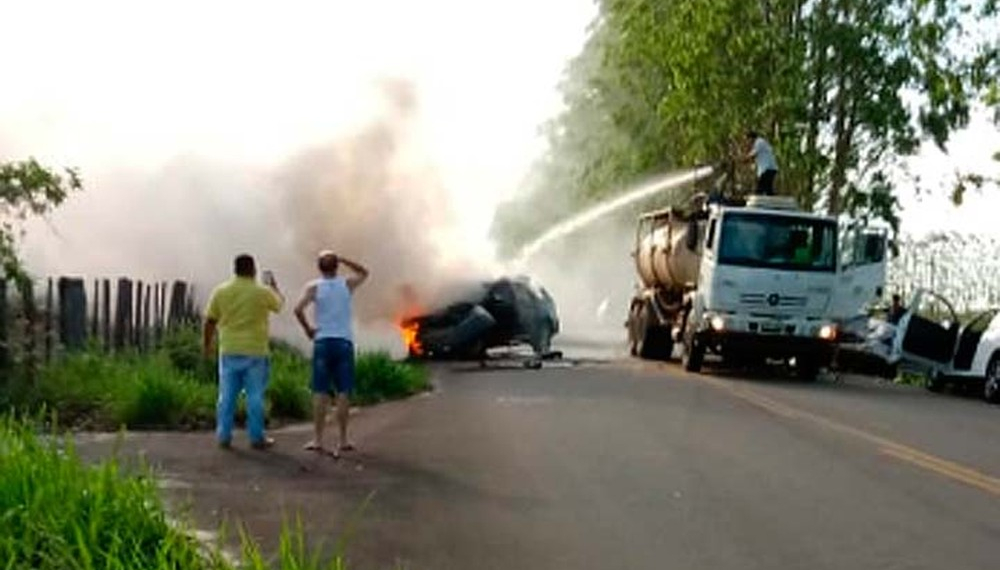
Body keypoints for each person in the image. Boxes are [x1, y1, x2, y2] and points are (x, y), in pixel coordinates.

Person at [203, 254, 284, 450]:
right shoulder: (262, 292)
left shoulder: (221, 291)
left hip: (229, 349)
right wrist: (274, 287)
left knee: (226, 396)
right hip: (256, 351)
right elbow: (279, 306)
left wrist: (207, 346)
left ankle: (224, 436)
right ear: (253, 269)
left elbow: (210, 321)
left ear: (235, 269)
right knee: (255, 396)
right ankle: (256, 437)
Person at [294, 251, 369, 457]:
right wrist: (343, 259)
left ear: (319, 267)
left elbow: (298, 310)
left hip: (322, 342)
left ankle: (318, 440)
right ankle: (343, 440)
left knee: (320, 392)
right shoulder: (347, 284)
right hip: (343, 342)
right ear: (336, 267)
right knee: (343, 392)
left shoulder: (314, 287)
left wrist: (308, 330)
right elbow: (364, 272)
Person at [745, 130, 779, 195]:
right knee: (768, 190)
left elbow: (753, 154)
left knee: (759, 190)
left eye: (747, 140)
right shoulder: (760, 143)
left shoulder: (759, 142)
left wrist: (743, 159)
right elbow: (754, 158)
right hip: (770, 169)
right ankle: (772, 199)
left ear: (751, 138)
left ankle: (759, 199)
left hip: (768, 169)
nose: (748, 142)